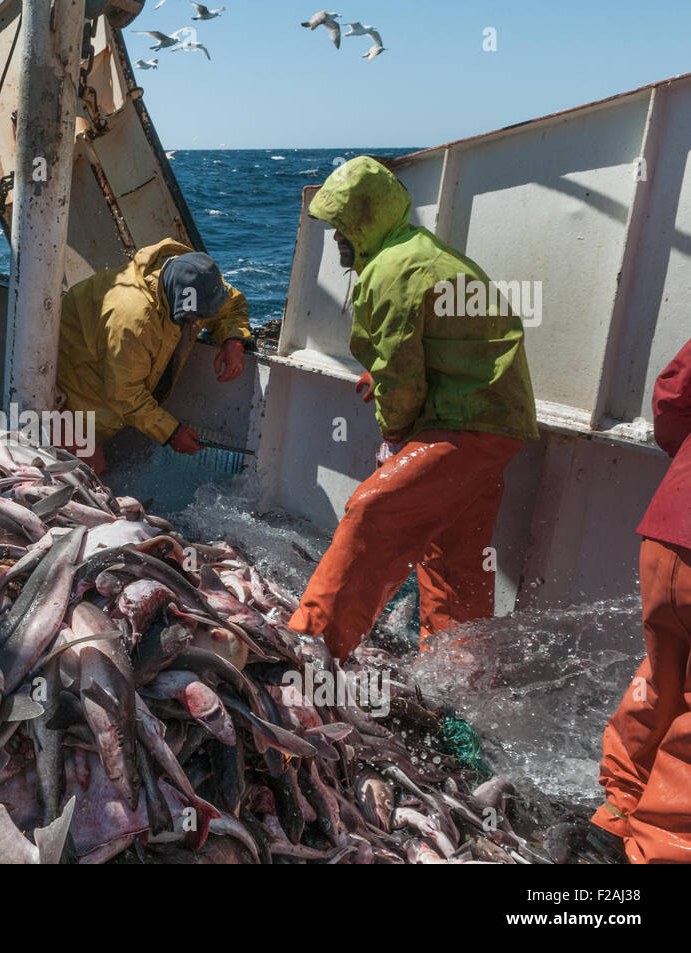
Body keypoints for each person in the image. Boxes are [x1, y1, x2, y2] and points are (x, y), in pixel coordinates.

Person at [286, 156, 538, 661]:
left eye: (342, 225)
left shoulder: (392, 270)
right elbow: (427, 348)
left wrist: (394, 434)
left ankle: (307, 651)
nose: (336, 236)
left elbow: (401, 375)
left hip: (466, 425)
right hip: (495, 419)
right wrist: (380, 376)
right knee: (454, 556)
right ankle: (457, 680)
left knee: (371, 513)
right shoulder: (415, 252)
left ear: (366, 221)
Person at [591, 337, 691, 863]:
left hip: (670, 534)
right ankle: (662, 853)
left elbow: (673, 398)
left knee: (661, 676)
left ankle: (615, 813)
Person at [54, 238, 251, 474]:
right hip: (61, 397)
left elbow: (233, 305)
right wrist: (171, 433)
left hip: (104, 391)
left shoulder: (201, 285)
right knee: (90, 479)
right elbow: (125, 395)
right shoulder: (133, 321)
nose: (198, 322)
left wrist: (234, 341)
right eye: (193, 318)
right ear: (179, 303)